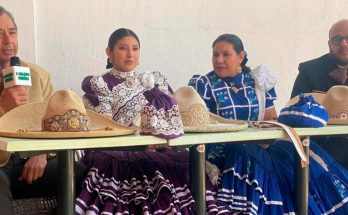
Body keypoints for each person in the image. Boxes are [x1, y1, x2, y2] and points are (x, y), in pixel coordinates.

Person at [189, 34, 348, 214]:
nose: (219, 60)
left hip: (258, 148)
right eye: (215, 54)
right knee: (246, 154)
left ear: (241, 56)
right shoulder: (204, 84)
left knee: (297, 155)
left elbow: (271, 118)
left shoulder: (257, 80)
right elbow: (201, 122)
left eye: (226, 54)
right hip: (224, 151)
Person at [76, 28, 199, 214]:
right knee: (130, 165)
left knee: (186, 159)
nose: (130, 54)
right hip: (116, 150)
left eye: (135, 48)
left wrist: (159, 140)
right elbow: (100, 128)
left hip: (158, 148)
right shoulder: (99, 85)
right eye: (123, 48)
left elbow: (171, 120)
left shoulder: (155, 81)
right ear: (109, 52)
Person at [0, 6, 86, 215]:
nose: (8, 40)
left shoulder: (38, 75)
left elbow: (56, 123)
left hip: (30, 163)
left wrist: (42, 152)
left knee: (83, 175)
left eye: (12, 32)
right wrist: (3, 108)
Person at [291, 19, 348, 168]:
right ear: (330, 44)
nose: (343, 43)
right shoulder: (310, 70)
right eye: (337, 39)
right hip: (322, 151)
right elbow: (295, 111)